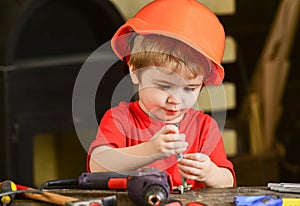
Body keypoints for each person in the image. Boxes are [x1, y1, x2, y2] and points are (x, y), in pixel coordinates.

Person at [87, 0, 236, 188]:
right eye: (164, 86)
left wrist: (210, 173)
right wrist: (151, 149)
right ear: (134, 71)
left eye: (189, 89)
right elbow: (97, 165)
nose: (175, 100)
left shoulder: (205, 128)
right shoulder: (120, 119)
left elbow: (228, 181)